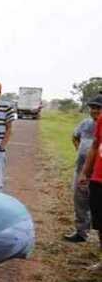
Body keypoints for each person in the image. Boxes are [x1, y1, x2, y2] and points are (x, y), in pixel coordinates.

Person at [64, 97, 102, 242]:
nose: (95, 110)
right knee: (80, 201)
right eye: (92, 107)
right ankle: (81, 232)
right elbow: (75, 137)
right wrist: (79, 151)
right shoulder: (85, 124)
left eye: (98, 108)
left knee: (97, 205)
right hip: (82, 170)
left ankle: (96, 233)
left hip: (97, 173)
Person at [77, 94, 102, 271]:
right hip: (98, 179)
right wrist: (85, 172)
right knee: (100, 223)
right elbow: (95, 146)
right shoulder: (100, 121)